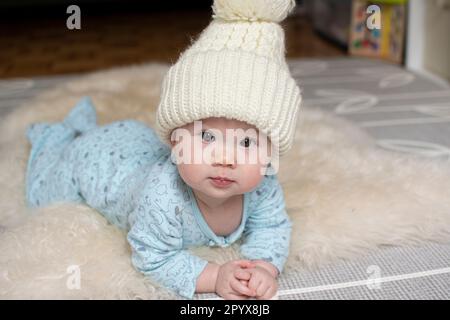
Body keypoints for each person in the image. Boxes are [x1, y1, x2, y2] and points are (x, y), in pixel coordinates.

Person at [25, 0, 302, 299]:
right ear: (175, 141)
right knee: (50, 189)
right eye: (206, 136)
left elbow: (272, 226)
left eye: (246, 142)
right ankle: (63, 137)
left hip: (130, 139)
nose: (225, 158)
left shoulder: (264, 186)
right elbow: (152, 256)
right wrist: (214, 276)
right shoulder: (162, 195)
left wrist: (263, 266)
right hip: (101, 160)